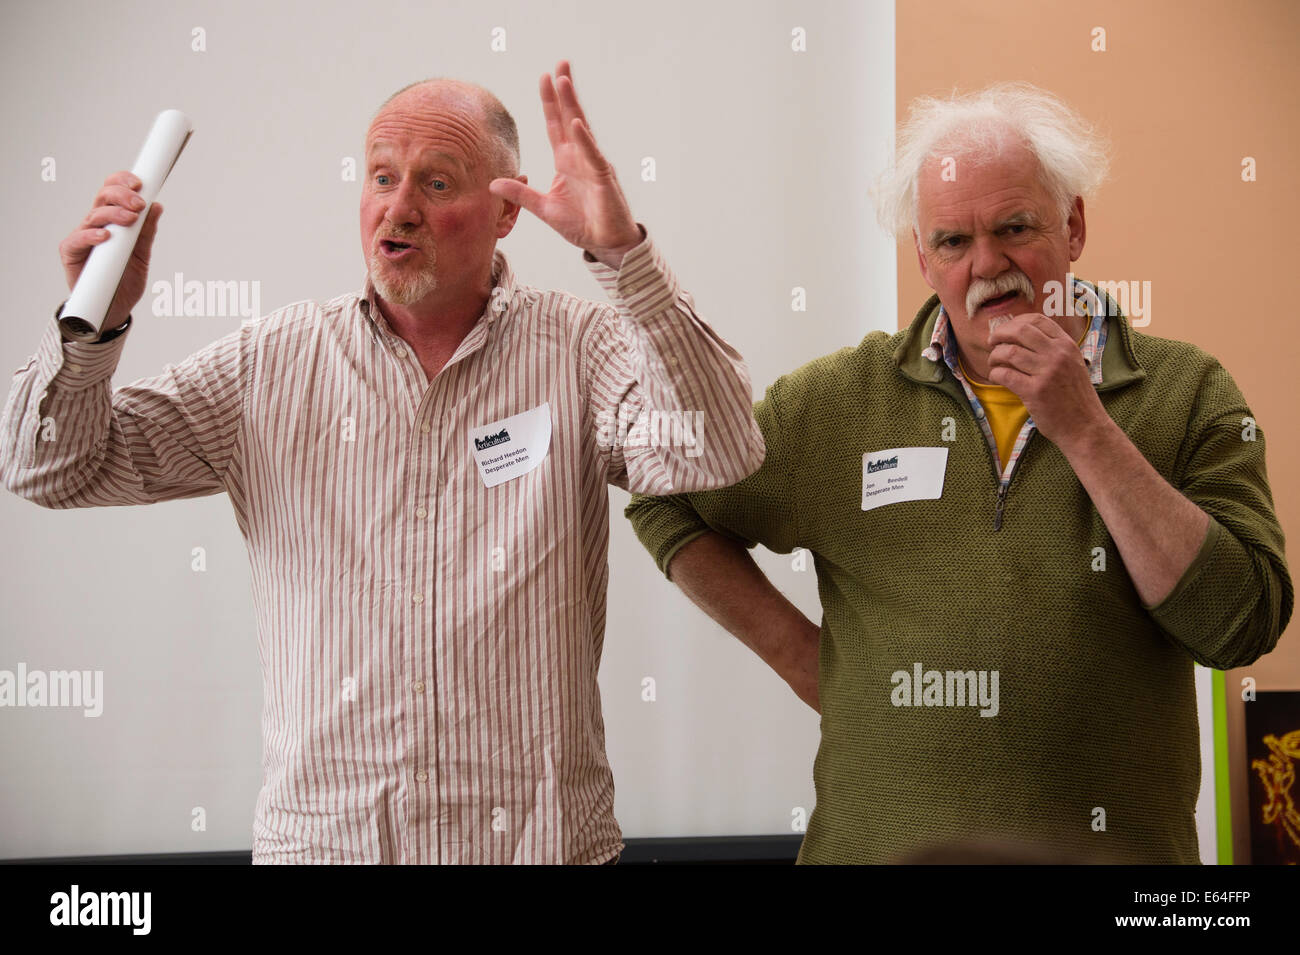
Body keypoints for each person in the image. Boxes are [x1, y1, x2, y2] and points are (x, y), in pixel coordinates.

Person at [0, 62, 764, 864]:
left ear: (507, 212)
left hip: (537, 848)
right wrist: (91, 329)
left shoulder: (579, 347)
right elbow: (49, 467)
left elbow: (718, 445)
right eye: (381, 177)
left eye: (436, 183)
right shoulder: (272, 363)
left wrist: (624, 258)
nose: (398, 209)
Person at [624, 82, 1292, 864]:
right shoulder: (841, 400)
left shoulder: (1187, 393)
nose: (988, 265)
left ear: (1073, 224)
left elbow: (1242, 622)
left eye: (1015, 228)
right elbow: (664, 492)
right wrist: (804, 659)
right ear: (920, 254)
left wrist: (1085, 426)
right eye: (952, 241)